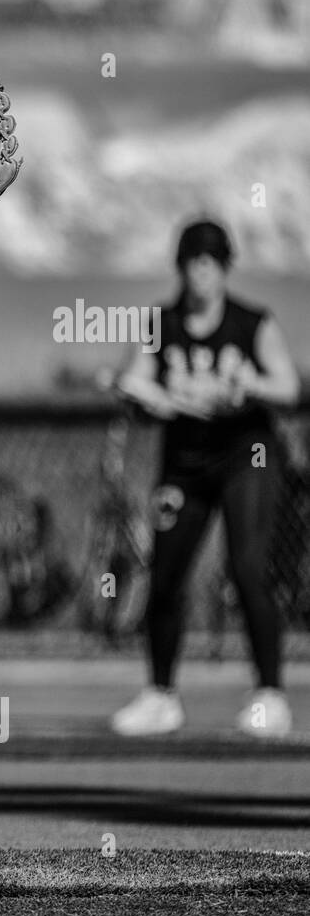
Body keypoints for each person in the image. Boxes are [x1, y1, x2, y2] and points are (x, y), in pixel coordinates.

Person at [112, 219, 300, 737]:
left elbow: (289, 386)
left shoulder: (250, 322)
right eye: (193, 262)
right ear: (180, 267)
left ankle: (268, 695)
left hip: (247, 456)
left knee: (248, 567)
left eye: (211, 263)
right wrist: (146, 393)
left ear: (223, 269)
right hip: (185, 465)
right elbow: (133, 376)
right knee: (167, 574)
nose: (201, 274)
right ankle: (161, 696)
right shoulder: (162, 323)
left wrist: (252, 385)